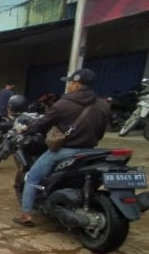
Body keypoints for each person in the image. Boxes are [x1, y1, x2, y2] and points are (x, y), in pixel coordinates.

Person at [13, 68, 110, 227]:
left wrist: (27, 130)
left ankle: (26, 216)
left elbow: (42, 124)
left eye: (70, 82)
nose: (69, 86)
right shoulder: (103, 105)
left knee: (31, 177)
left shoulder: (64, 103)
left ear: (77, 84)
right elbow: (100, 133)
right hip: (90, 152)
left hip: (64, 151)